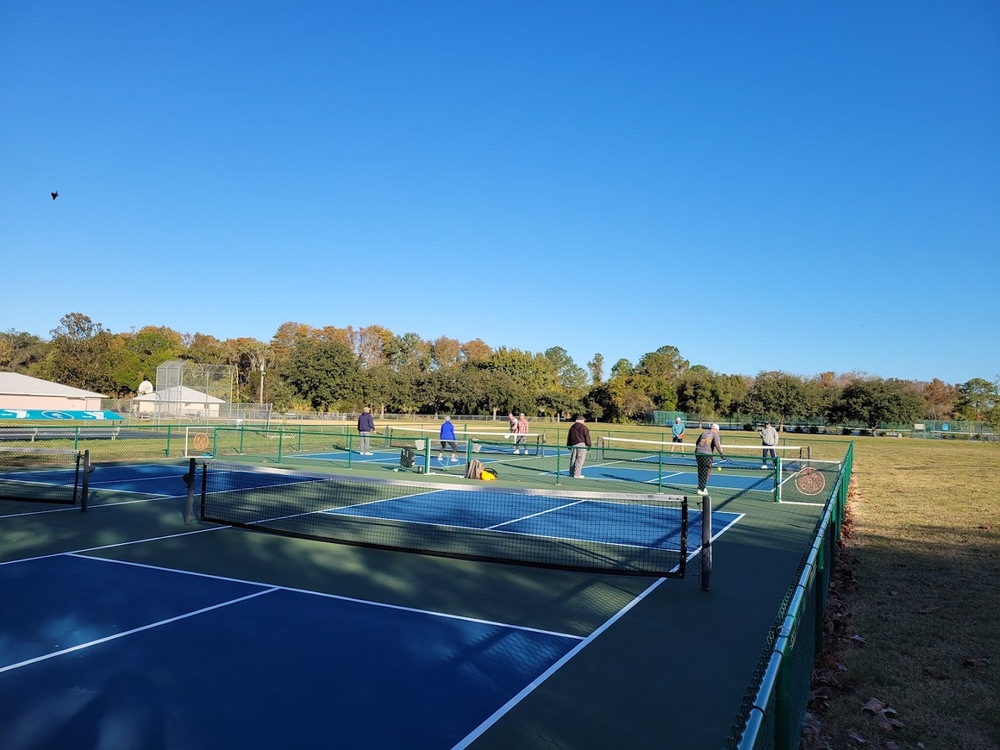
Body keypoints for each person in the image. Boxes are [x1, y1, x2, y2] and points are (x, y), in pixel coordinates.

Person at [694, 423, 726, 496]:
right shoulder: (715, 434)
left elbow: (697, 442)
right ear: (717, 430)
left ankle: (702, 486)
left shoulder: (704, 432)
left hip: (698, 453)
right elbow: (718, 445)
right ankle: (701, 489)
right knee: (705, 471)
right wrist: (722, 455)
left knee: (700, 470)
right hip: (706, 454)